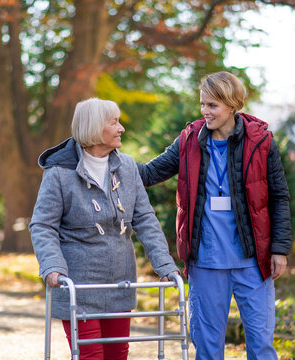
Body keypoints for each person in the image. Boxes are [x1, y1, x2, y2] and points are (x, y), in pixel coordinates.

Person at [137, 71, 292, 360]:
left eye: (213, 106)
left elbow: (279, 197)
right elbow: (149, 173)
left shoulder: (261, 143)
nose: (205, 112)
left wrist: (279, 250)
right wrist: (104, 155)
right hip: (206, 263)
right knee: (208, 349)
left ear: (232, 105)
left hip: (252, 263)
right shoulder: (188, 141)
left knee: (261, 347)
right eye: (202, 104)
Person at [29, 98, 179, 360]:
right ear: (95, 127)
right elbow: (43, 225)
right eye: (114, 122)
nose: (121, 128)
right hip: (79, 284)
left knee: (117, 354)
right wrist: (52, 266)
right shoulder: (59, 173)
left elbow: (144, 218)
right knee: (91, 356)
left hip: (120, 281)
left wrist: (165, 266)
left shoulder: (128, 166)